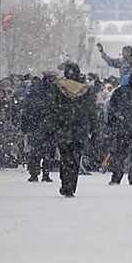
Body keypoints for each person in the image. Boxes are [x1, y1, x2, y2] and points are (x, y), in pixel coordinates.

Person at [47, 61, 98, 197]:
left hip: (63, 128)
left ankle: (65, 183)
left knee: (65, 157)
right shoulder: (85, 90)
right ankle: (71, 185)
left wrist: (53, 126)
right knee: (76, 158)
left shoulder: (58, 88)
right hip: (80, 129)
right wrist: (94, 127)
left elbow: (52, 109)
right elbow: (91, 110)